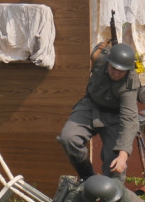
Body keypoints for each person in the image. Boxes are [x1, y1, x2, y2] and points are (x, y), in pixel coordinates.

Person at [58, 41, 140, 182]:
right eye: (113, 68)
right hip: (91, 105)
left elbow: (129, 119)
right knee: (68, 138)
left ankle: (111, 199)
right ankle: (88, 178)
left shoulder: (130, 84)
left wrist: (123, 155)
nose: (116, 73)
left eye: (121, 70)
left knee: (115, 166)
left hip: (115, 115)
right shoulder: (100, 59)